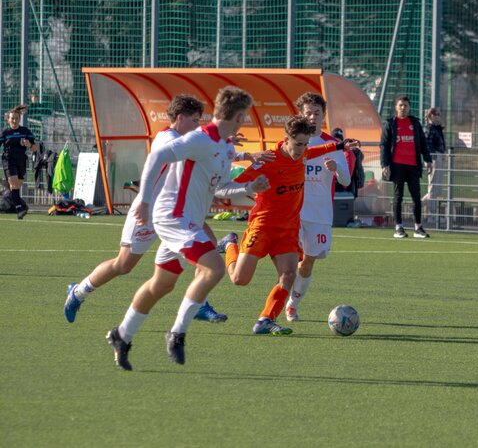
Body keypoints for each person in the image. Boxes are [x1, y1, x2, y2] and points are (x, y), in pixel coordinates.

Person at [63, 94, 269, 325]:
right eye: (194, 120)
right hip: (149, 212)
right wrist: (227, 146)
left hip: (177, 212)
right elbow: (185, 153)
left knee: (208, 247)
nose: (198, 125)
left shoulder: (191, 140)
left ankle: (200, 303)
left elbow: (205, 154)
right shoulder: (166, 138)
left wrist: (227, 145)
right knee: (124, 265)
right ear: (180, 118)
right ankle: (79, 291)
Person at [104, 86, 269, 370]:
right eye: (245, 116)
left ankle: (122, 334)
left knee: (162, 284)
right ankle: (177, 333)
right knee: (214, 269)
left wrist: (248, 187)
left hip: (187, 220)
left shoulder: (226, 146)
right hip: (173, 217)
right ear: (239, 116)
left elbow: (217, 188)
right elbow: (157, 156)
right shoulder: (199, 139)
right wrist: (143, 200)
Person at [219, 115, 357, 335]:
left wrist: (341, 145)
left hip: (288, 229)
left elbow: (319, 151)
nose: (302, 150)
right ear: (286, 140)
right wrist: (248, 187)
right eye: (298, 144)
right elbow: (226, 188)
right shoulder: (268, 160)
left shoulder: (304, 155)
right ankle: (229, 244)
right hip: (262, 226)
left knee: (289, 275)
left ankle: (266, 319)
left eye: (305, 144)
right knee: (239, 279)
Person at [281, 93, 350, 323]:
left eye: (316, 113)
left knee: (307, 261)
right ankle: (276, 307)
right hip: (293, 212)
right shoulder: (292, 142)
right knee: (290, 261)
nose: (312, 117)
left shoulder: (332, 144)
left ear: (324, 115)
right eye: (307, 113)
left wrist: (336, 169)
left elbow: (346, 181)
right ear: (301, 114)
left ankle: (293, 304)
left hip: (319, 214)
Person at [380, 95, 432, 239]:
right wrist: (384, 164)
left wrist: (428, 160)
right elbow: (384, 145)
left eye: (406, 106)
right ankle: (398, 228)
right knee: (398, 197)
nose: (403, 108)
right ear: (396, 107)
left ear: (409, 107)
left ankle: (418, 227)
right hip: (397, 166)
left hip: (413, 166)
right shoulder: (390, 123)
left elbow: (422, 143)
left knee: (416, 197)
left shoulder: (415, 123)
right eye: (401, 105)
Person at [2, 104, 37, 219]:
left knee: (15, 187)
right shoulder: (5, 132)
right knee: (14, 184)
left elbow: (35, 148)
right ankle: (19, 209)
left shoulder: (25, 131)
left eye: (17, 118)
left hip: (21, 160)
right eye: (12, 118)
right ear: (8, 119)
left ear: (19, 119)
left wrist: (29, 144)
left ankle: (18, 202)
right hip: (9, 160)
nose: (14, 120)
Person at [421, 107, 446, 222]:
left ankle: (416, 206)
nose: (439, 116)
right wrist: (431, 159)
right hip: (434, 158)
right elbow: (426, 144)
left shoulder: (436, 128)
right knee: (432, 187)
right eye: (437, 114)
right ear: (431, 116)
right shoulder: (429, 128)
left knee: (437, 189)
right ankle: (432, 215)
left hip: (439, 157)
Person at [333, 127, 365, 198]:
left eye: (339, 141)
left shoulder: (348, 153)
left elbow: (346, 179)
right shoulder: (347, 152)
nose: (337, 144)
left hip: (343, 191)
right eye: (335, 141)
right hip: (348, 190)